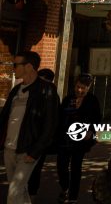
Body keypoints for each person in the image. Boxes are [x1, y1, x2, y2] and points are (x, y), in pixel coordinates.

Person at [0, 50, 60, 204]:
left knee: (14, 192)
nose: (13, 68)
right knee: (21, 190)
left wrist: (35, 151)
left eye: (16, 65)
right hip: (9, 148)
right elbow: (4, 118)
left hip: (28, 150)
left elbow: (50, 125)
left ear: (29, 67)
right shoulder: (16, 90)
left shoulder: (47, 90)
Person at [57, 73, 101, 203]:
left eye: (83, 88)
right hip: (65, 138)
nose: (79, 90)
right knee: (61, 166)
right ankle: (65, 187)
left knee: (76, 167)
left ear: (88, 88)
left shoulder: (92, 100)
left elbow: (97, 119)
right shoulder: (68, 99)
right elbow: (60, 116)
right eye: (77, 86)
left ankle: (73, 197)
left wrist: (91, 131)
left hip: (80, 140)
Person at [27, 68, 55, 199]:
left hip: (40, 140)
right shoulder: (30, 91)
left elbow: (51, 123)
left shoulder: (52, 96)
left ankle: (31, 193)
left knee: (35, 168)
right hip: (27, 138)